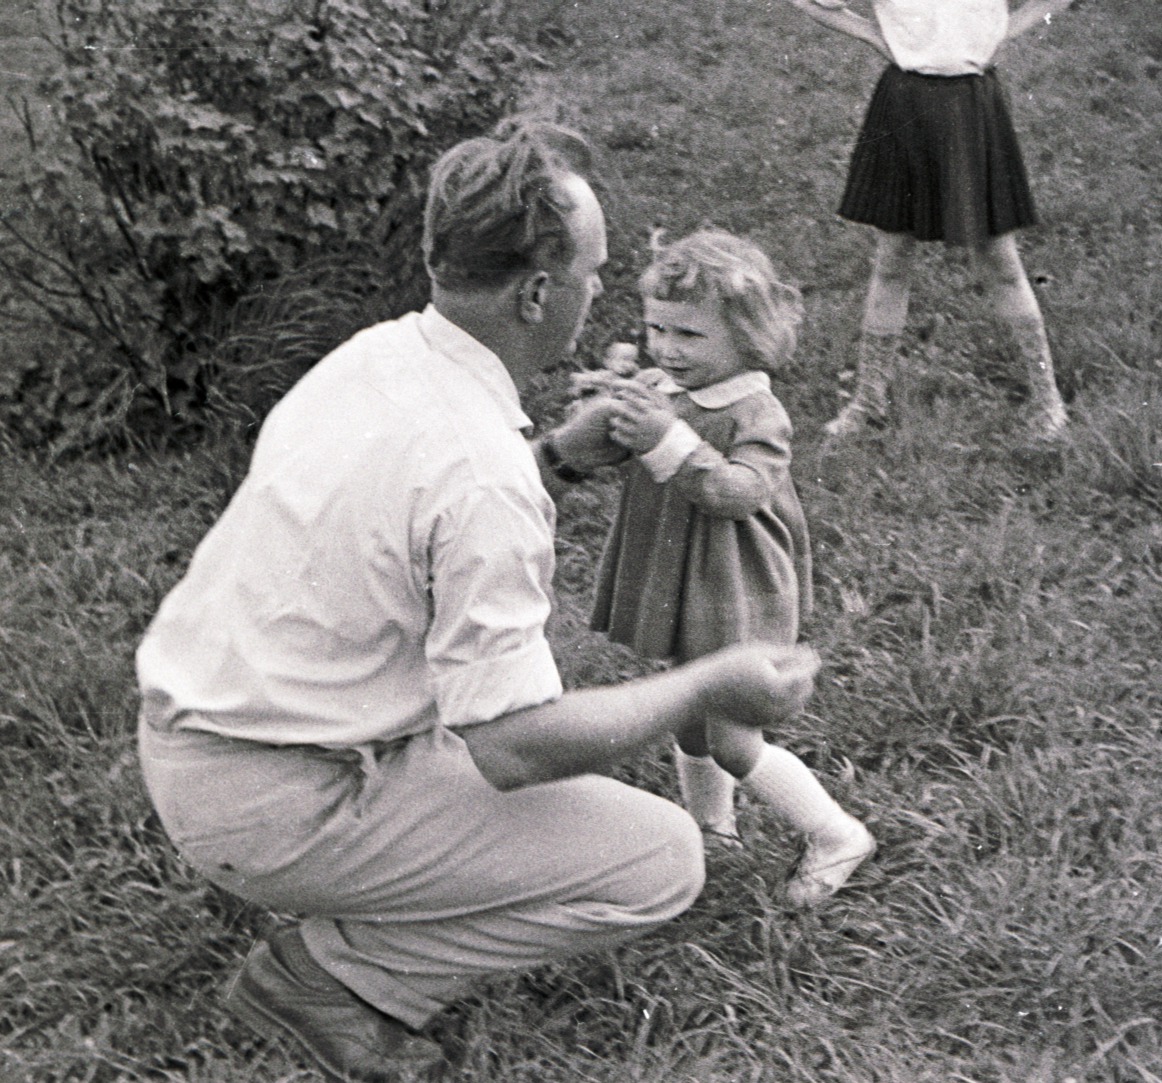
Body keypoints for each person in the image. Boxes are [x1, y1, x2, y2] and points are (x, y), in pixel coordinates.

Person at [134, 118, 820, 1083]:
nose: (598, 295)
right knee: (659, 859)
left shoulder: (372, 356)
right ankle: (332, 973)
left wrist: (559, 455)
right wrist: (711, 682)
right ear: (539, 291)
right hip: (281, 799)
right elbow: (514, 743)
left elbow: (421, 513)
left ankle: (361, 901)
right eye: (592, 272)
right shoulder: (480, 476)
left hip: (202, 742)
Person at [540, 230, 875, 908]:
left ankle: (836, 832)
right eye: (656, 329)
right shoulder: (664, 387)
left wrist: (667, 438)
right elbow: (615, 445)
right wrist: (603, 417)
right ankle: (710, 827)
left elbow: (737, 492)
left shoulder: (756, 409)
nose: (665, 348)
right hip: (683, 579)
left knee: (730, 735)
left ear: (747, 337)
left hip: (736, 586)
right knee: (689, 707)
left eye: (688, 334)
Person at [783, 0, 1076, 442]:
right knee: (892, 258)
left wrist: (1006, 30)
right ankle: (869, 400)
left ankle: (1047, 400)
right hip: (906, 104)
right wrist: (870, 34)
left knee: (1000, 259)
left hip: (972, 106)